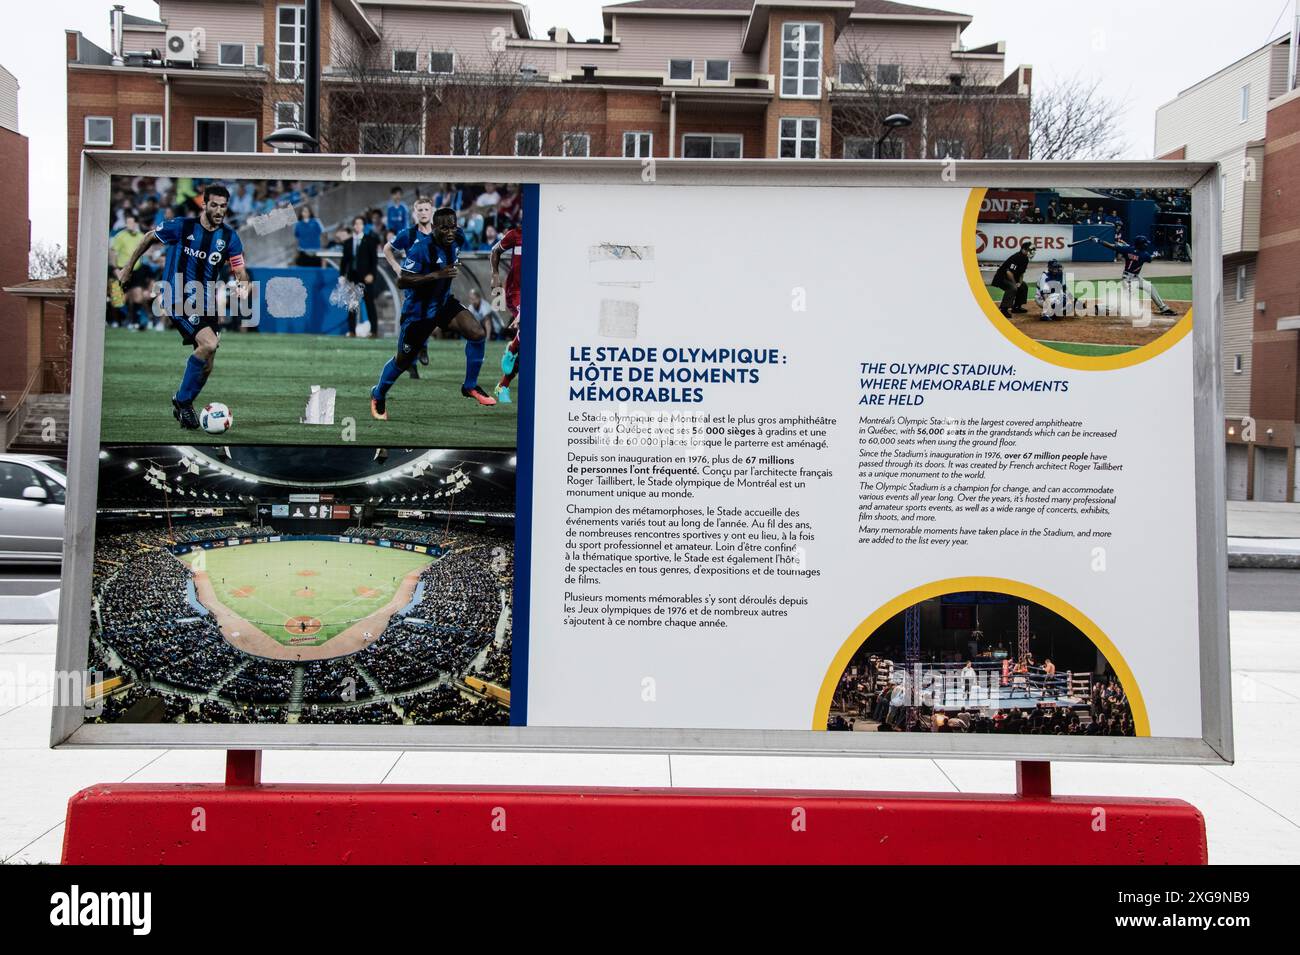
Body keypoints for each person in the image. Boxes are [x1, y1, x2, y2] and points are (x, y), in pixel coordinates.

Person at [115, 184, 249, 430]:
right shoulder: (182, 226)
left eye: (224, 206)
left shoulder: (230, 237)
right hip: (177, 296)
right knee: (209, 343)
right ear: (204, 204)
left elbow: (239, 269)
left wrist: (243, 284)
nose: (220, 210)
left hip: (205, 302)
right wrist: (126, 269)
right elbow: (147, 238)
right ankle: (183, 402)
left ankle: (184, 403)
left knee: (207, 365)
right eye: (215, 205)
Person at [369, 206, 498, 420]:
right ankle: (378, 394)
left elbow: (454, 254)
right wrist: (436, 275)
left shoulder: (459, 238)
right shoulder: (420, 248)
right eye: (444, 228)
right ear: (434, 228)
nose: (450, 232)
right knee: (403, 361)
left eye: (453, 227)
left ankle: (470, 386)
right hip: (417, 312)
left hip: (443, 303)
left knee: (477, 333)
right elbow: (402, 281)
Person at [1092, 235, 1177, 316]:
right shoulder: (1144, 255)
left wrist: (1099, 240)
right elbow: (1150, 258)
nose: (1146, 245)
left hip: (1134, 277)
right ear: (1140, 245)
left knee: (1149, 287)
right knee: (1125, 302)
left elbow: (1112, 246)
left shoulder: (1127, 249)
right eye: (1144, 243)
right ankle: (1100, 308)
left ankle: (1164, 308)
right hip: (1129, 280)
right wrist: (1157, 255)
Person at [491, 222, 524, 404]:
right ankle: (511, 349)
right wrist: (495, 275)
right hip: (516, 291)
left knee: (527, 347)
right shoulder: (515, 235)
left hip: (538, 291)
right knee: (525, 326)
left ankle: (503, 385)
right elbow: (495, 251)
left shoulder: (548, 236)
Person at [339, 215, 380, 337]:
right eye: (356, 224)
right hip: (353, 278)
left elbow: (374, 261)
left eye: (360, 224)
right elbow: (344, 261)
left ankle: (374, 331)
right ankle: (352, 331)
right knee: (352, 305)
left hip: (366, 278)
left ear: (363, 226)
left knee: (370, 304)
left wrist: (372, 275)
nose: (358, 226)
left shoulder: (370, 241)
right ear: (353, 226)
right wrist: (342, 275)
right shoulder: (347, 243)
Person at [110, 212, 150, 329]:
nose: (130, 225)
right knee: (118, 299)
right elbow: (113, 253)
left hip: (136, 270)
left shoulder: (141, 236)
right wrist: (115, 268)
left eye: (132, 223)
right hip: (121, 269)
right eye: (128, 223)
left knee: (137, 296)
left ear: (136, 224)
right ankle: (116, 321)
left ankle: (134, 322)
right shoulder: (120, 236)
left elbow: (146, 252)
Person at [991, 240, 1033, 317]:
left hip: (1011, 278)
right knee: (1012, 288)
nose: (1031, 252)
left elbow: (1021, 273)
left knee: (1023, 286)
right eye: (1029, 250)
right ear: (1023, 249)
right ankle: (1003, 309)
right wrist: (1014, 283)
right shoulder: (1016, 257)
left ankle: (1017, 307)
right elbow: (1008, 272)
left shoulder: (1025, 259)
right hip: (1001, 278)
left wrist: (1019, 283)